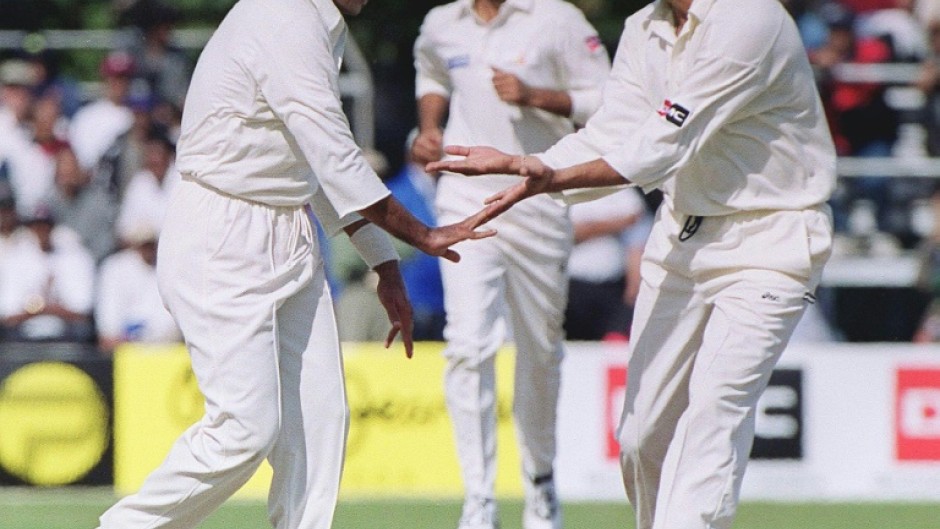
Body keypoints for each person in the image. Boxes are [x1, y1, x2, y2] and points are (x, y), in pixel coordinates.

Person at [427, 0, 836, 528]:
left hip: (772, 236)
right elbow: (613, 130)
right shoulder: (644, 28)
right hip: (683, 231)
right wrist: (539, 165)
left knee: (712, 414)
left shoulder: (748, 16)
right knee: (643, 440)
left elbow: (663, 141)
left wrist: (552, 178)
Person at [94, 0, 494, 529]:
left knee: (320, 422)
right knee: (245, 429)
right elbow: (335, 158)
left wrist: (385, 263)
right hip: (224, 232)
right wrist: (421, 234)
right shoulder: (284, 15)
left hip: (288, 225)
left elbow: (315, 162)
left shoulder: (316, 22)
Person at [412, 0, 610, 527]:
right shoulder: (441, 22)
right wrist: (428, 126)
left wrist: (537, 96)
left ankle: (540, 482)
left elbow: (611, 101)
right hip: (464, 197)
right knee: (468, 343)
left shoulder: (558, 19)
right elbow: (430, 71)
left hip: (540, 197)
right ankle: (478, 498)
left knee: (540, 349)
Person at [563, 187, 645, 342]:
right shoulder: (564, 187)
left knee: (610, 345)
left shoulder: (616, 187)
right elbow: (568, 233)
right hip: (572, 287)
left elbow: (635, 220)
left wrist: (592, 228)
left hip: (611, 287)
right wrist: (614, 224)